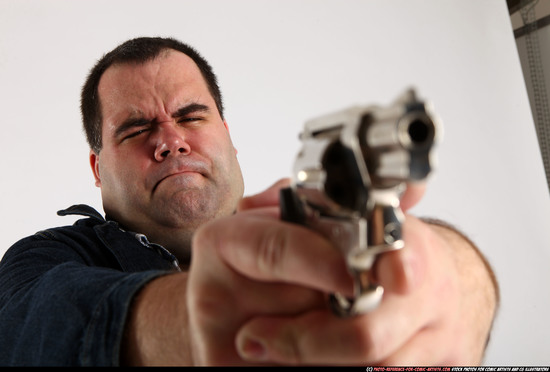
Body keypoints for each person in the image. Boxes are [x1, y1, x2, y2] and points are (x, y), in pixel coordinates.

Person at [0, 37, 499, 366]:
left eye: (191, 116)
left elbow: (425, 261)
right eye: (136, 129)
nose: (171, 141)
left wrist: (460, 276)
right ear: (97, 168)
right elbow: (32, 325)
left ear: (228, 137)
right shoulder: (43, 262)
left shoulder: (302, 224)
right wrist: (194, 318)